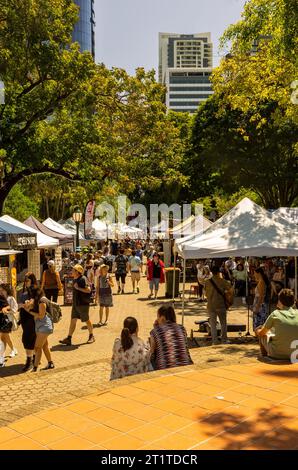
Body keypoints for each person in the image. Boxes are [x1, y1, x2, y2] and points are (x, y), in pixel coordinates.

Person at [256, 289, 298, 360]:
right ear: (293, 302)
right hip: (295, 354)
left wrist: (257, 331)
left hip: (277, 354)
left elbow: (262, 333)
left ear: (280, 301)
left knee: (260, 332)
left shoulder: (275, 314)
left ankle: (265, 357)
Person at [59, 264, 95, 346]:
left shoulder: (82, 279)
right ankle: (69, 338)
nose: (71, 271)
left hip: (82, 304)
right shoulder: (75, 279)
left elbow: (88, 290)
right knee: (73, 321)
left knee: (86, 320)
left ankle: (91, 335)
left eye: (73, 270)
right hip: (76, 304)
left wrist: (78, 288)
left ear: (77, 272)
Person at [150, 305, 193, 370]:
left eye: (158, 317)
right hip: (186, 366)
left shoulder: (155, 331)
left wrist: (155, 329)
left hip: (165, 368)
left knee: (152, 358)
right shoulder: (182, 328)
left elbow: (152, 351)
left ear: (162, 318)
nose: (157, 319)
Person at [23, 288, 54, 372]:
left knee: (37, 347)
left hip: (44, 327)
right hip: (42, 327)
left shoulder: (41, 301)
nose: (31, 297)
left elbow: (41, 316)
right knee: (44, 346)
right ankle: (50, 363)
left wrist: (29, 311)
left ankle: (35, 367)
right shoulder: (40, 300)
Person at [203, 266, 233, 345]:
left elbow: (205, 293)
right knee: (223, 323)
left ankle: (214, 341)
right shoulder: (222, 281)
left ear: (212, 272)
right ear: (219, 272)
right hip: (220, 304)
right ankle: (224, 340)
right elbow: (231, 289)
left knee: (213, 324)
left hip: (210, 305)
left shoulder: (207, 281)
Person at [19, 273, 38, 371]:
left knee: (28, 339)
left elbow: (33, 304)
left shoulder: (35, 291)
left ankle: (29, 361)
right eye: (25, 280)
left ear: (32, 280)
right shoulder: (25, 291)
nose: (25, 282)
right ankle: (34, 358)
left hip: (31, 317)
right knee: (29, 339)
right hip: (24, 318)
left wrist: (26, 305)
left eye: (27, 280)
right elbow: (21, 305)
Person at [0, 284, 18, 358]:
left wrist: (7, 311)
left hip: (8, 320)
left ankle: (13, 349)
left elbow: (15, 309)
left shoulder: (10, 298)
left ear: (6, 290)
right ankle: (3, 353)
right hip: (2, 319)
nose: (1, 291)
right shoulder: (1, 298)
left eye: (2, 290)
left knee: (5, 336)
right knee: (3, 337)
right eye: (0, 290)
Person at [253, 267, 271, 332]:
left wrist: (257, 306)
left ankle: (260, 337)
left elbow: (261, 296)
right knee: (259, 321)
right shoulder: (261, 281)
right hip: (261, 304)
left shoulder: (261, 282)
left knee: (260, 322)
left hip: (261, 305)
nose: (254, 275)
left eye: (255, 273)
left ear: (259, 273)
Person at [0, 296, 13, 367]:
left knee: (2, 341)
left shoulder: (1, 297)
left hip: (1, 321)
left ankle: (1, 360)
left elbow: (8, 306)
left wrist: (4, 308)